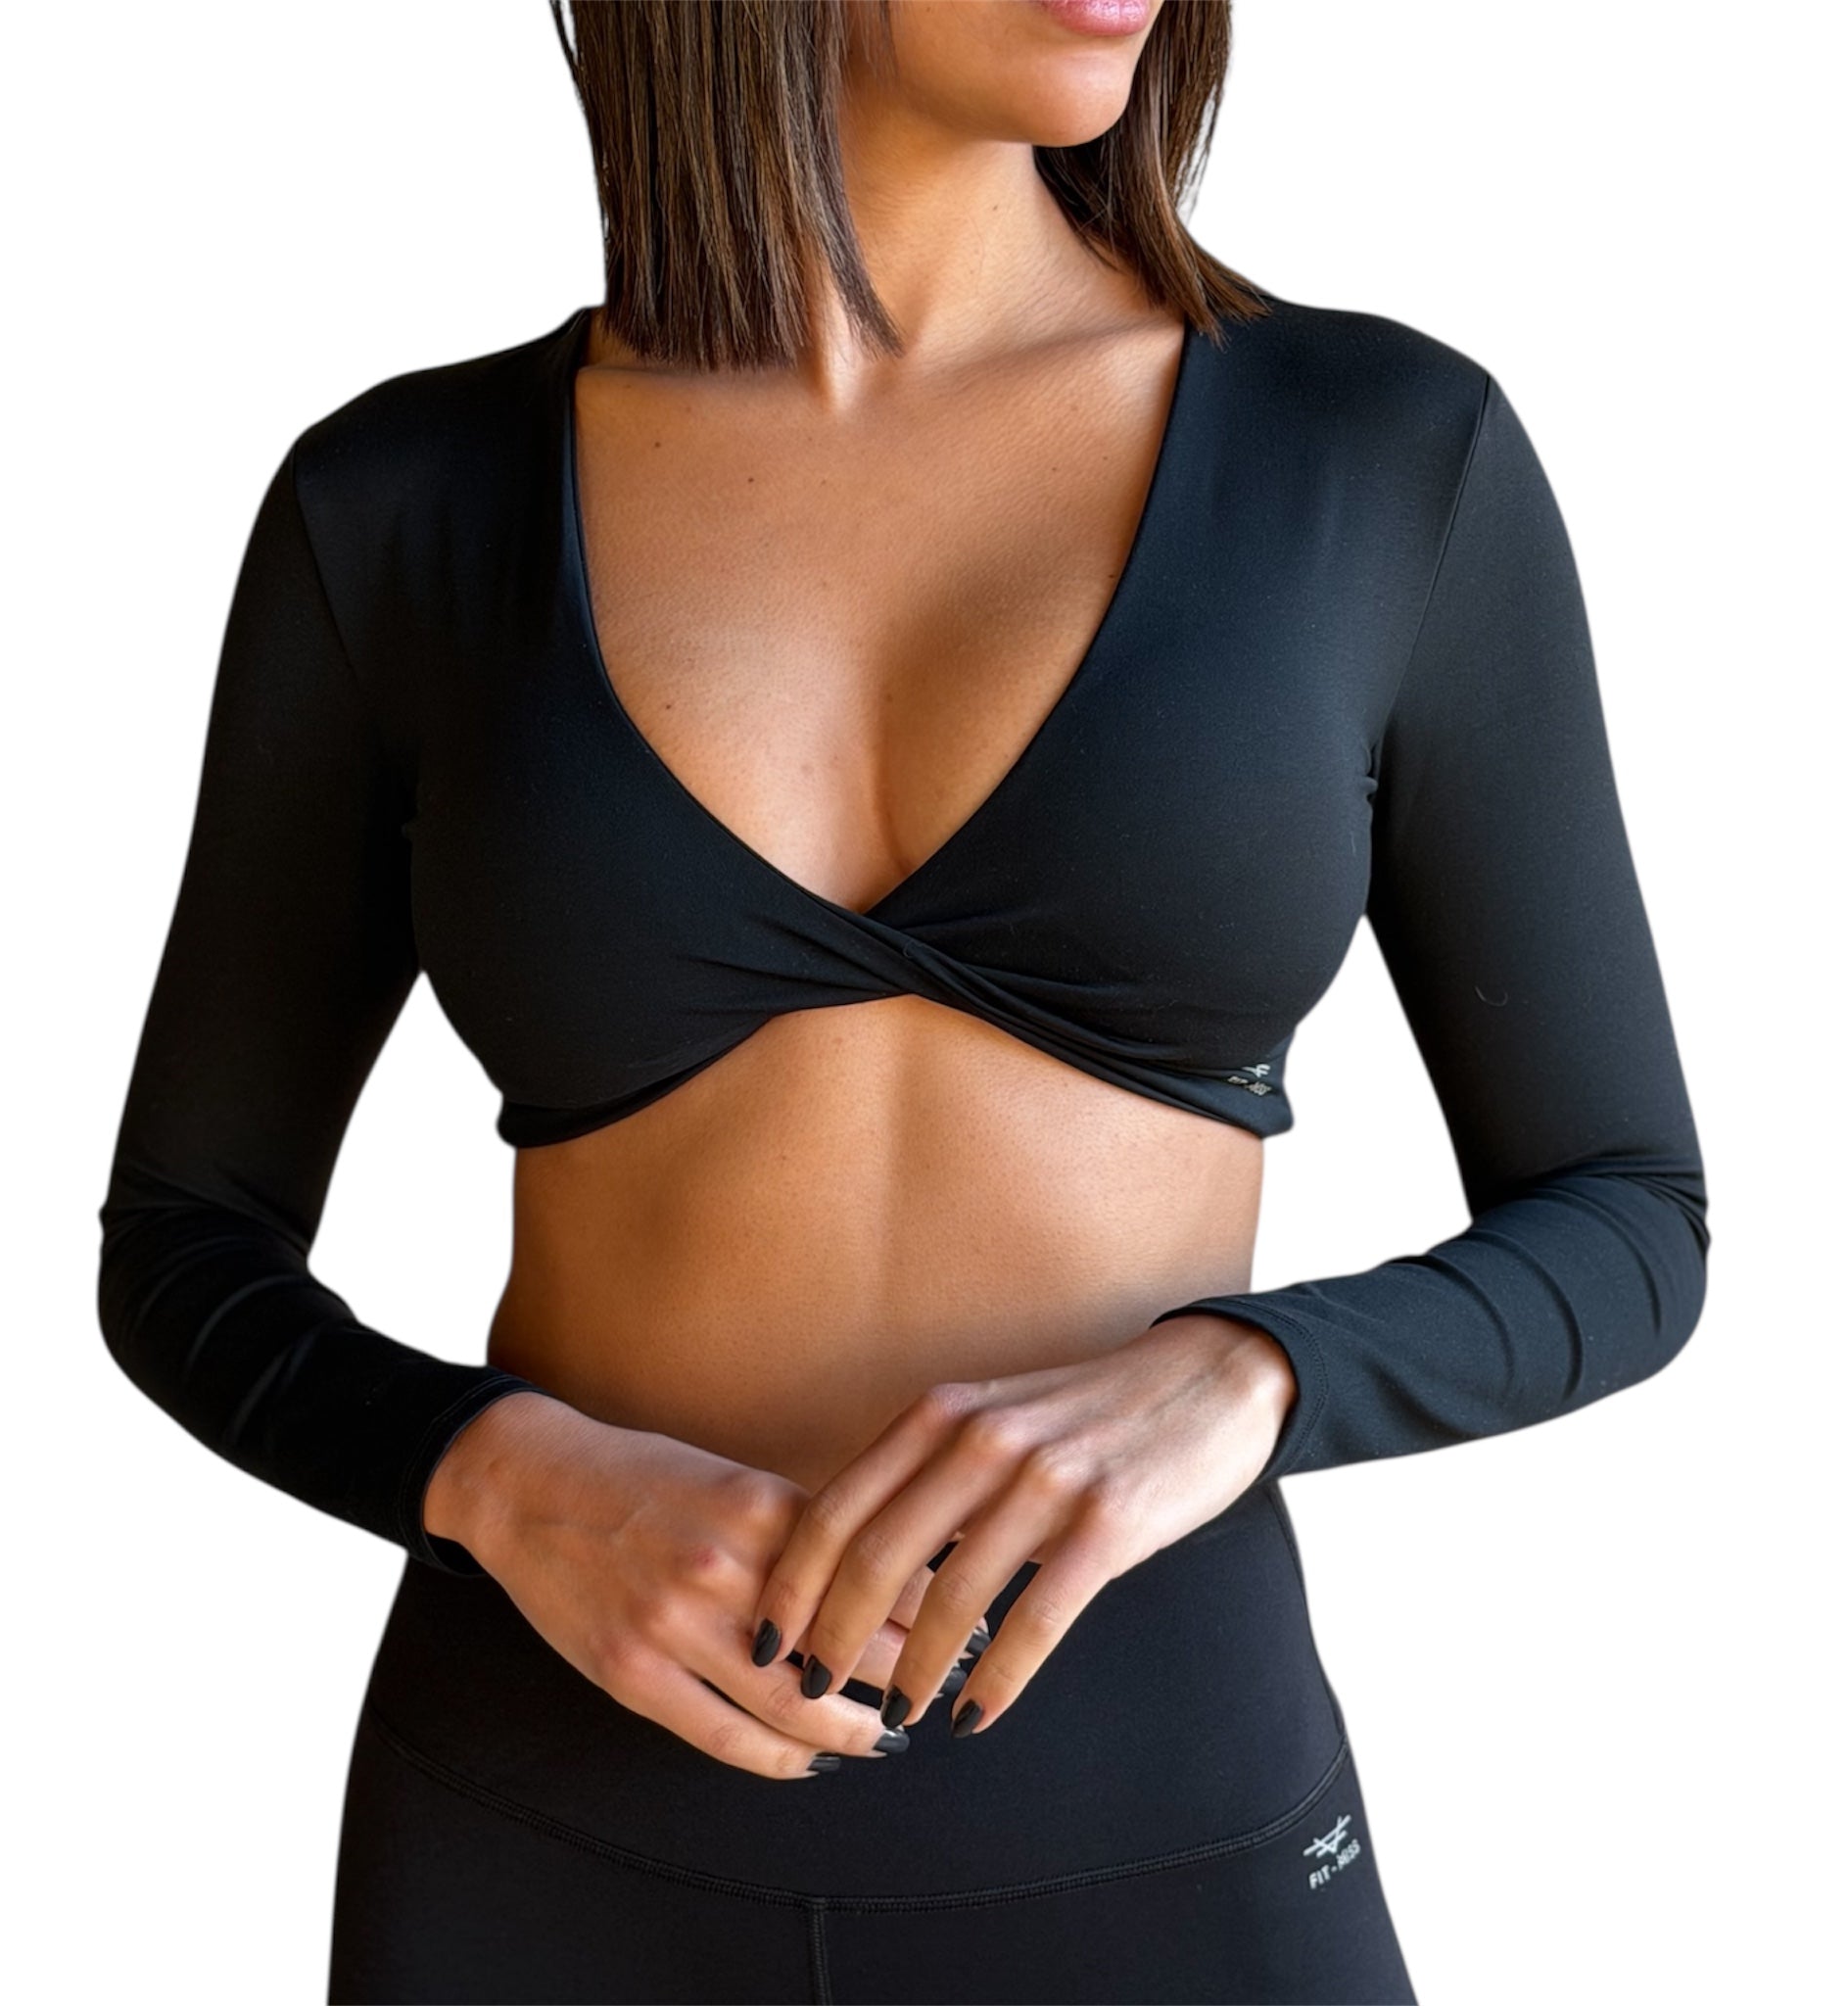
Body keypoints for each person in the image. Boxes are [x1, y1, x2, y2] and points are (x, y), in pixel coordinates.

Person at [95, 3, 1710, 2000]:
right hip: (539, 1839)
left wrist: (1245, 1378)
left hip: (1163, 1820)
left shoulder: (1377, 455)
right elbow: (184, 1243)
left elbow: (1629, 1215)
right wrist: (493, 1472)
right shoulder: (403, 505)